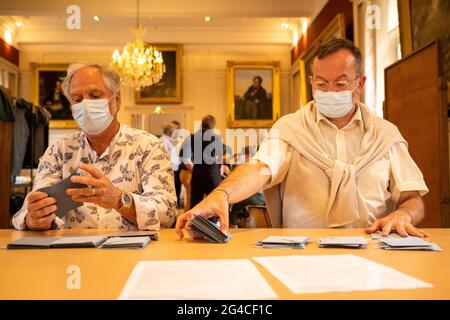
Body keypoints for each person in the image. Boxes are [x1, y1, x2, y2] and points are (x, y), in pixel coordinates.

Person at [176, 39, 429, 239]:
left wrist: (403, 215)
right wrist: (222, 193)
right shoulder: (290, 128)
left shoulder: (386, 135)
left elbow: (412, 198)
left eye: (340, 84)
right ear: (311, 82)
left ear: (359, 83)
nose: (329, 92)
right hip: (302, 252)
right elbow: (259, 168)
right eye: (321, 84)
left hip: (372, 250)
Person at [12, 63, 177, 231]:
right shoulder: (58, 151)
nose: (85, 105)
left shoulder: (149, 146)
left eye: (95, 96)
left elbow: (168, 213)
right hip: (69, 253)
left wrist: (120, 200)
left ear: (117, 100)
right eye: (77, 99)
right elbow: (26, 212)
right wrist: (35, 219)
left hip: (132, 253)